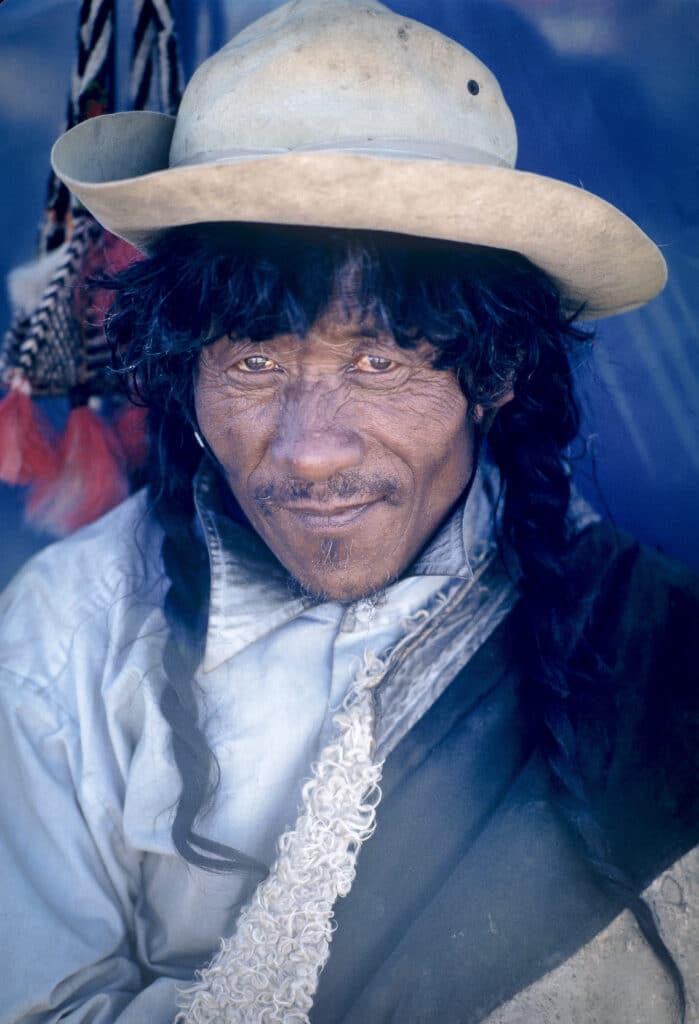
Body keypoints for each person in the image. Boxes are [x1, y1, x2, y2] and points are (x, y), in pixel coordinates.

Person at [1, 1, 697, 1022]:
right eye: (252, 361)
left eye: (379, 362)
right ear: (183, 375)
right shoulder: (65, 639)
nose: (310, 448)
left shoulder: (654, 651)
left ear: (495, 371)